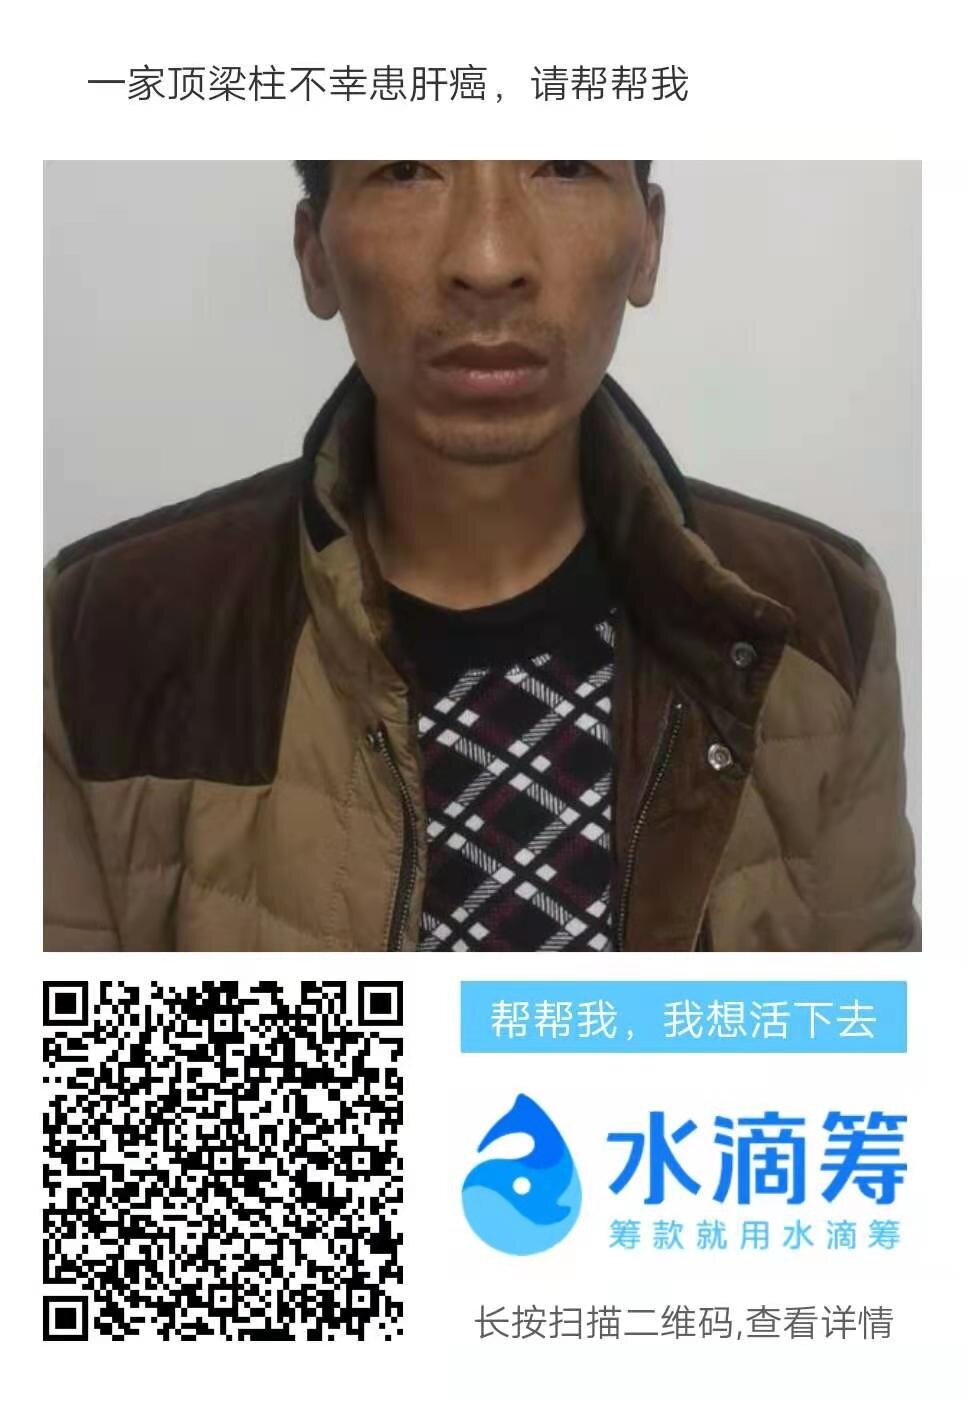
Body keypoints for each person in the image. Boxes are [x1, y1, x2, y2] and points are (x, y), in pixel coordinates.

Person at [43, 160, 918, 952]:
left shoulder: (813, 617)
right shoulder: (102, 636)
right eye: (406, 172)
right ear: (315, 255)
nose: (489, 260)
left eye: (564, 168)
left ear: (648, 241)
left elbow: (864, 1044)